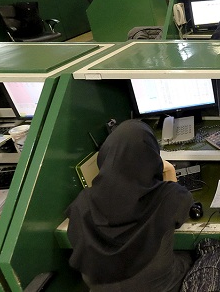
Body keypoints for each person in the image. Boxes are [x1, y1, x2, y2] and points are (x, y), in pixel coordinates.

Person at [66, 120, 194, 291]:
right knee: (201, 256)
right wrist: (168, 169)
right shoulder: (169, 196)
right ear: (151, 156)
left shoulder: (82, 204)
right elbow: (181, 212)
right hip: (162, 287)